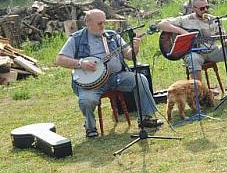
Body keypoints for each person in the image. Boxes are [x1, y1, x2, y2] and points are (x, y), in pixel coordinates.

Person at [55, 9, 162, 138]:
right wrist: (81, 63)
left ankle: (145, 118)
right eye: (99, 23)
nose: (103, 26)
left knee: (140, 79)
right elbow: (60, 59)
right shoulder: (77, 39)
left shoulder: (112, 36)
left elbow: (128, 55)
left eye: (104, 23)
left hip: (116, 77)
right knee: (86, 100)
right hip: (92, 83)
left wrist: (135, 47)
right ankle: (90, 127)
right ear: (88, 23)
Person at [157, 0, 227, 95]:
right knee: (193, 59)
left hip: (213, 50)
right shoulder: (185, 19)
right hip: (195, 52)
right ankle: (201, 92)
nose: (206, 10)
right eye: (202, 8)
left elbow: (224, 41)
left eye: (207, 7)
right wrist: (182, 31)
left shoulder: (215, 20)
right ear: (193, 8)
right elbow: (161, 24)